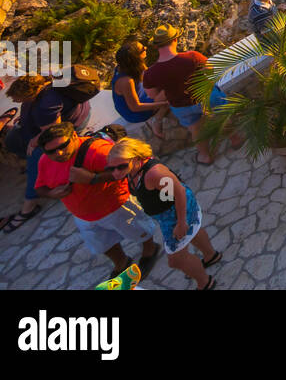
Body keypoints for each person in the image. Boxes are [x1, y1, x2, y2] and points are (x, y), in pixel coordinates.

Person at [33, 122, 161, 280]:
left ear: (74, 136)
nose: (58, 153)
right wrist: (51, 193)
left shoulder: (98, 151)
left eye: (63, 146)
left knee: (139, 230)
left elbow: (134, 165)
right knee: (103, 244)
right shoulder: (45, 161)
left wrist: (93, 178)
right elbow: (39, 187)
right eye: (51, 151)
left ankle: (150, 250)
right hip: (83, 216)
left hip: (117, 206)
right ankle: (122, 262)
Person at [106, 137, 221, 289]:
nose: (115, 172)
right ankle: (211, 256)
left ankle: (205, 282)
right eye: (111, 168)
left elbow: (178, 193)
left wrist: (181, 223)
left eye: (121, 166)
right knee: (194, 231)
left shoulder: (154, 174)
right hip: (167, 213)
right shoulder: (132, 170)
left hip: (177, 213)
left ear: (136, 158)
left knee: (176, 260)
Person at [1, 73, 85, 233]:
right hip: (45, 126)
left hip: (61, 130)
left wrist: (34, 142)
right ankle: (40, 169)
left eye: (16, 98)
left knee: (36, 157)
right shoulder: (42, 87)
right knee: (12, 139)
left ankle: (29, 204)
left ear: (28, 95)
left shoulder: (45, 105)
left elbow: (54, 132)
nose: (13, 101)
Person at [143, 25, 214, 163]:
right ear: (175, 40)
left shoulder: (150, 73)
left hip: (180, 106)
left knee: (196, 131)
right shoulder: (193, 57)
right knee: (220, 116)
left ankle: (204, 156)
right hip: (202, 98)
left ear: (156, 46)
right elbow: (210, 72)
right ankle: (235, 139)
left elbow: (153, 97)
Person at [110, 41, 169, 138]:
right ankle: (157, 121)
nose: (146, 48)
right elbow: (135, 107)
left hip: (141, 96)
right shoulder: (125, 81)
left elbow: (148, 73)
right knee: (170, 91)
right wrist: (163, 104)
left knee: (166, 81)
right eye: (143, 49)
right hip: (135, 114)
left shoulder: (129, 66)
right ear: (136, 57)